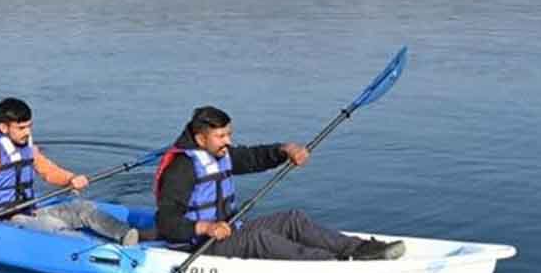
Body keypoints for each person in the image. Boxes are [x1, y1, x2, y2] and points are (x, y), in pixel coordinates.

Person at [153, 105, 405, 261]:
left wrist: (285, 150)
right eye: (221, 136)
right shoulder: (181, 168)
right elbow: (166, 223)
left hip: (229, 232)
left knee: (292, 219)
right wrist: (206, 227)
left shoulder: (221, 154)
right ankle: (332, 263)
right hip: (198, 245)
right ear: (200, 139)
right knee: (259, 239)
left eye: (229, 134)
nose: (228, 141)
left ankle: (361, 249)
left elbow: (254, 157)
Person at [0, 97, 139, 245]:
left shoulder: (27, 146)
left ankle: (127, 236)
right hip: (4, 219)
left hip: (29, 210)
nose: (27, 132)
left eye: (29, 126)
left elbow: (48, 171)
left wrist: (71, 178)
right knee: (51, 226)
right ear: (4, 127)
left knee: (83, 208)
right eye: (21, 128)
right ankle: (102, 252)